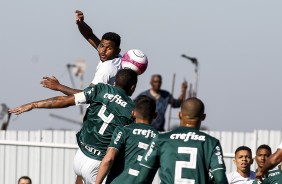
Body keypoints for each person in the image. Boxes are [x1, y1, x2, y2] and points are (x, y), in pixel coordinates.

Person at [9, 69, 138, 184]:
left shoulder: (100, 89)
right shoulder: (132, 110)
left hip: (80, 156)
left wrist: (33, 105)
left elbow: (65, 100)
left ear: (115, 81)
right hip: (98, 163)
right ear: (133, 87)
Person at [137, 97, 228, 184]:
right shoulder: (211, 143)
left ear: (179, 115)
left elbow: (142, 179)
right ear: (203, 117)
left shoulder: (160, 139)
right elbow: (220, 179)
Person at [40, 10, 122, 95]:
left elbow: (87, 96)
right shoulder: (117, 58)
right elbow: (89, 35)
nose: (103, 51)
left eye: (109, 48)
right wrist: (81, 23)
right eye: (101, 46)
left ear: (117, 51)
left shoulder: (107, 68)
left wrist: (59, 86)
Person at [95, 95, 159, 184]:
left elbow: (109, 158)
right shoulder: (160, 138)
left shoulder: (124, 131)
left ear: (133, 113)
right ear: (155, 115)